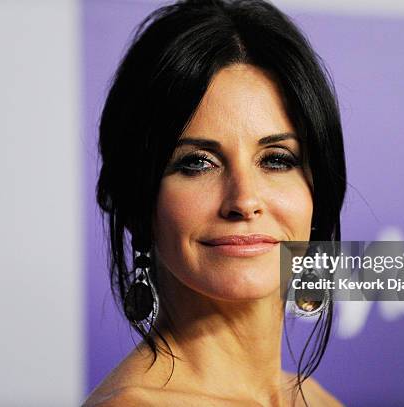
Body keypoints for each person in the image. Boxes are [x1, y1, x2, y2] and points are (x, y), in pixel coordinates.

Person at [84, 0, 346, 405]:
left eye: (277, 159)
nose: (244, 200)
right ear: (138, 199)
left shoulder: (314, 398)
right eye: (197, 163)